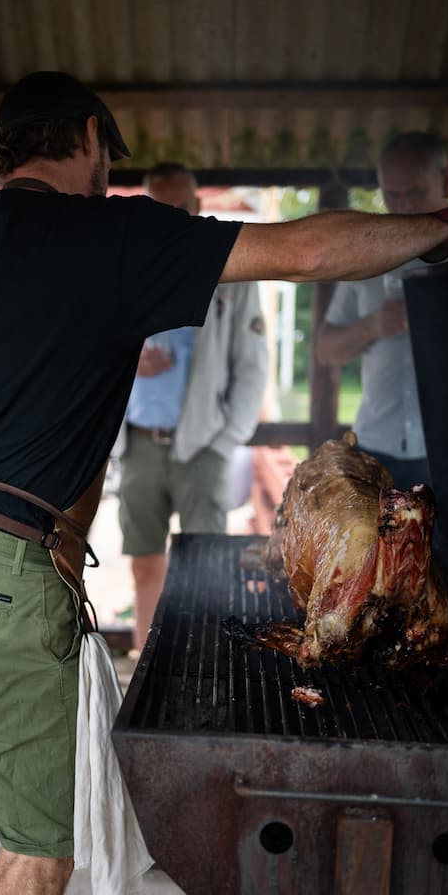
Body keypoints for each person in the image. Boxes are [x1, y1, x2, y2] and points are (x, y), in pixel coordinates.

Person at [0, 71, 448, 895]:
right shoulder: (110, 234)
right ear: (93, 141)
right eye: (110, 156)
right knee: (34, 845)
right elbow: (307, 252)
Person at [116, 162, 268, 651]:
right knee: (144, 564)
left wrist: (225, 441)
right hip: (139, 442)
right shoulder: (124, 267)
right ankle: (145, 661)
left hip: (202, 445)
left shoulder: (229, 270)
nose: (168, 217)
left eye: (178, 207)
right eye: (158, 207)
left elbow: (252, 366)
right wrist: (126, 358)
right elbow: (88, 346)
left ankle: (202, 661)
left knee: (206, 567)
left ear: (198, 207)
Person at [315, 131, 448, 490]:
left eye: (415, 193)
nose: (405, 206)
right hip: (376, 444)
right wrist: (372, 326)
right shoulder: (366, 260)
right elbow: (325, 350)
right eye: (393, 195)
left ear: (447, 181)